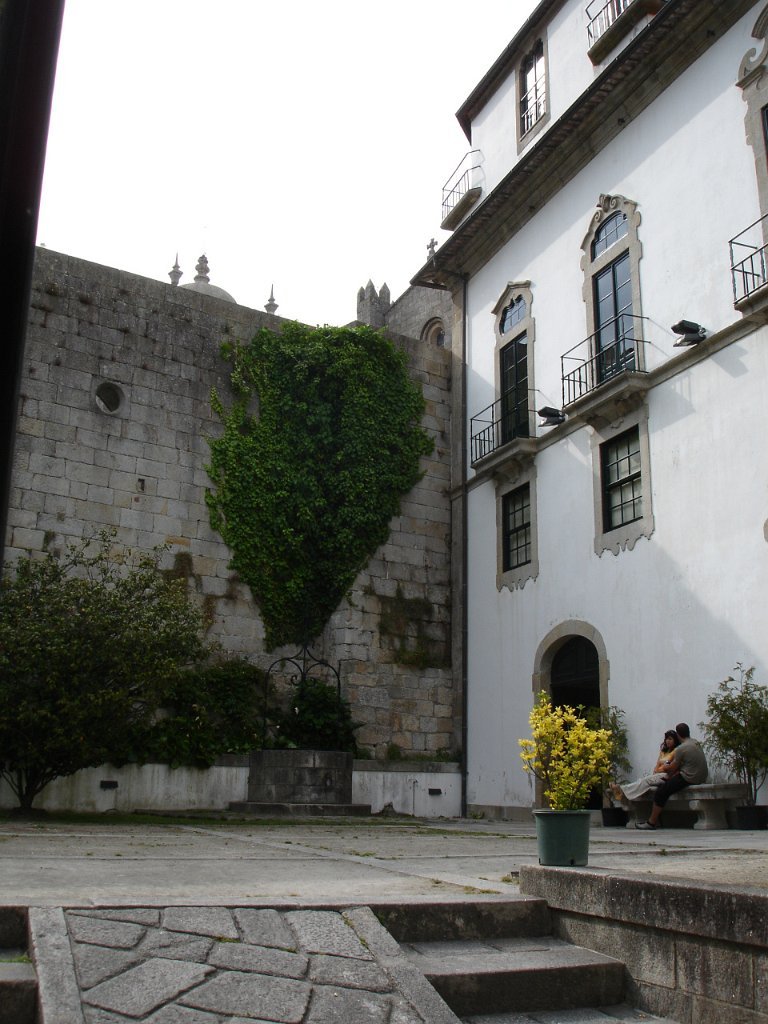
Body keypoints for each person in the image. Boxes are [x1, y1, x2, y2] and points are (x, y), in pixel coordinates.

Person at [635, 722, 708, 830]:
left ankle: (652, 822)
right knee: (667, 783)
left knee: (661, 791)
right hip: (702, 776)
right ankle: (655, 820)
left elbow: (672, 768)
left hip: (689, 777)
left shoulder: (681, 748)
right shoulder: (696, 742)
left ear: (678, 735)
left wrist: (665, 767)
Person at [611, 730, 680, 802]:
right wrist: (656, 770)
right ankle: (623, 792)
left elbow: (670, 767)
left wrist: (659, 769)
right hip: (658, 773)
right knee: (643, 781)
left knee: (645, 781)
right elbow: (657, 765)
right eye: (666, 739)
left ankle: (621, 789)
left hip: (666, 775)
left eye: (670, 739)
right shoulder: (663, 752)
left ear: (675, 741)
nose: (667, 741)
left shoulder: (676, 751)